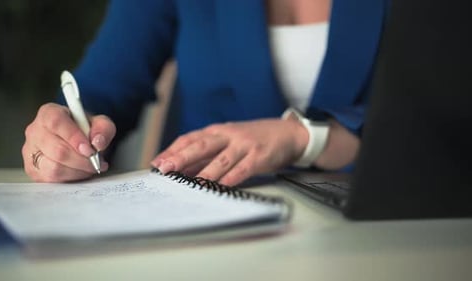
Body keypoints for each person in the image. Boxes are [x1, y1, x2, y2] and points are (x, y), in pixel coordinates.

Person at [22, 0, 388, 185]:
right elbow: (104, 90)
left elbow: (439, 106)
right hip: (209, 234)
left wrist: (308, 138)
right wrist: (62, 137)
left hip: (389, 223)